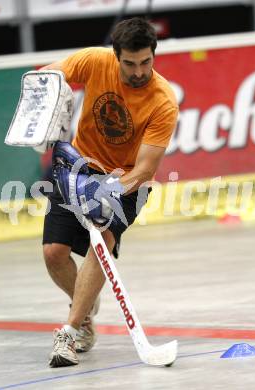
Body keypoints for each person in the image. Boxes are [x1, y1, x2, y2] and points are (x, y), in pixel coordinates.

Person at [41, 17, 179, 367]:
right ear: (116, 56)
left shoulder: (162, 101)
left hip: (128, 181)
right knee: (54, 253)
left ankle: (71, 333)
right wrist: (43, 112)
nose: (138, 72)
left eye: (146, 62)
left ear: (153, 55)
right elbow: (45, 76)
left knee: (103, 240)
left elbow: (146, 169)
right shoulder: (95, 61)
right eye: (130, 64)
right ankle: (84, 307)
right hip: (78, 167)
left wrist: (108, 189)